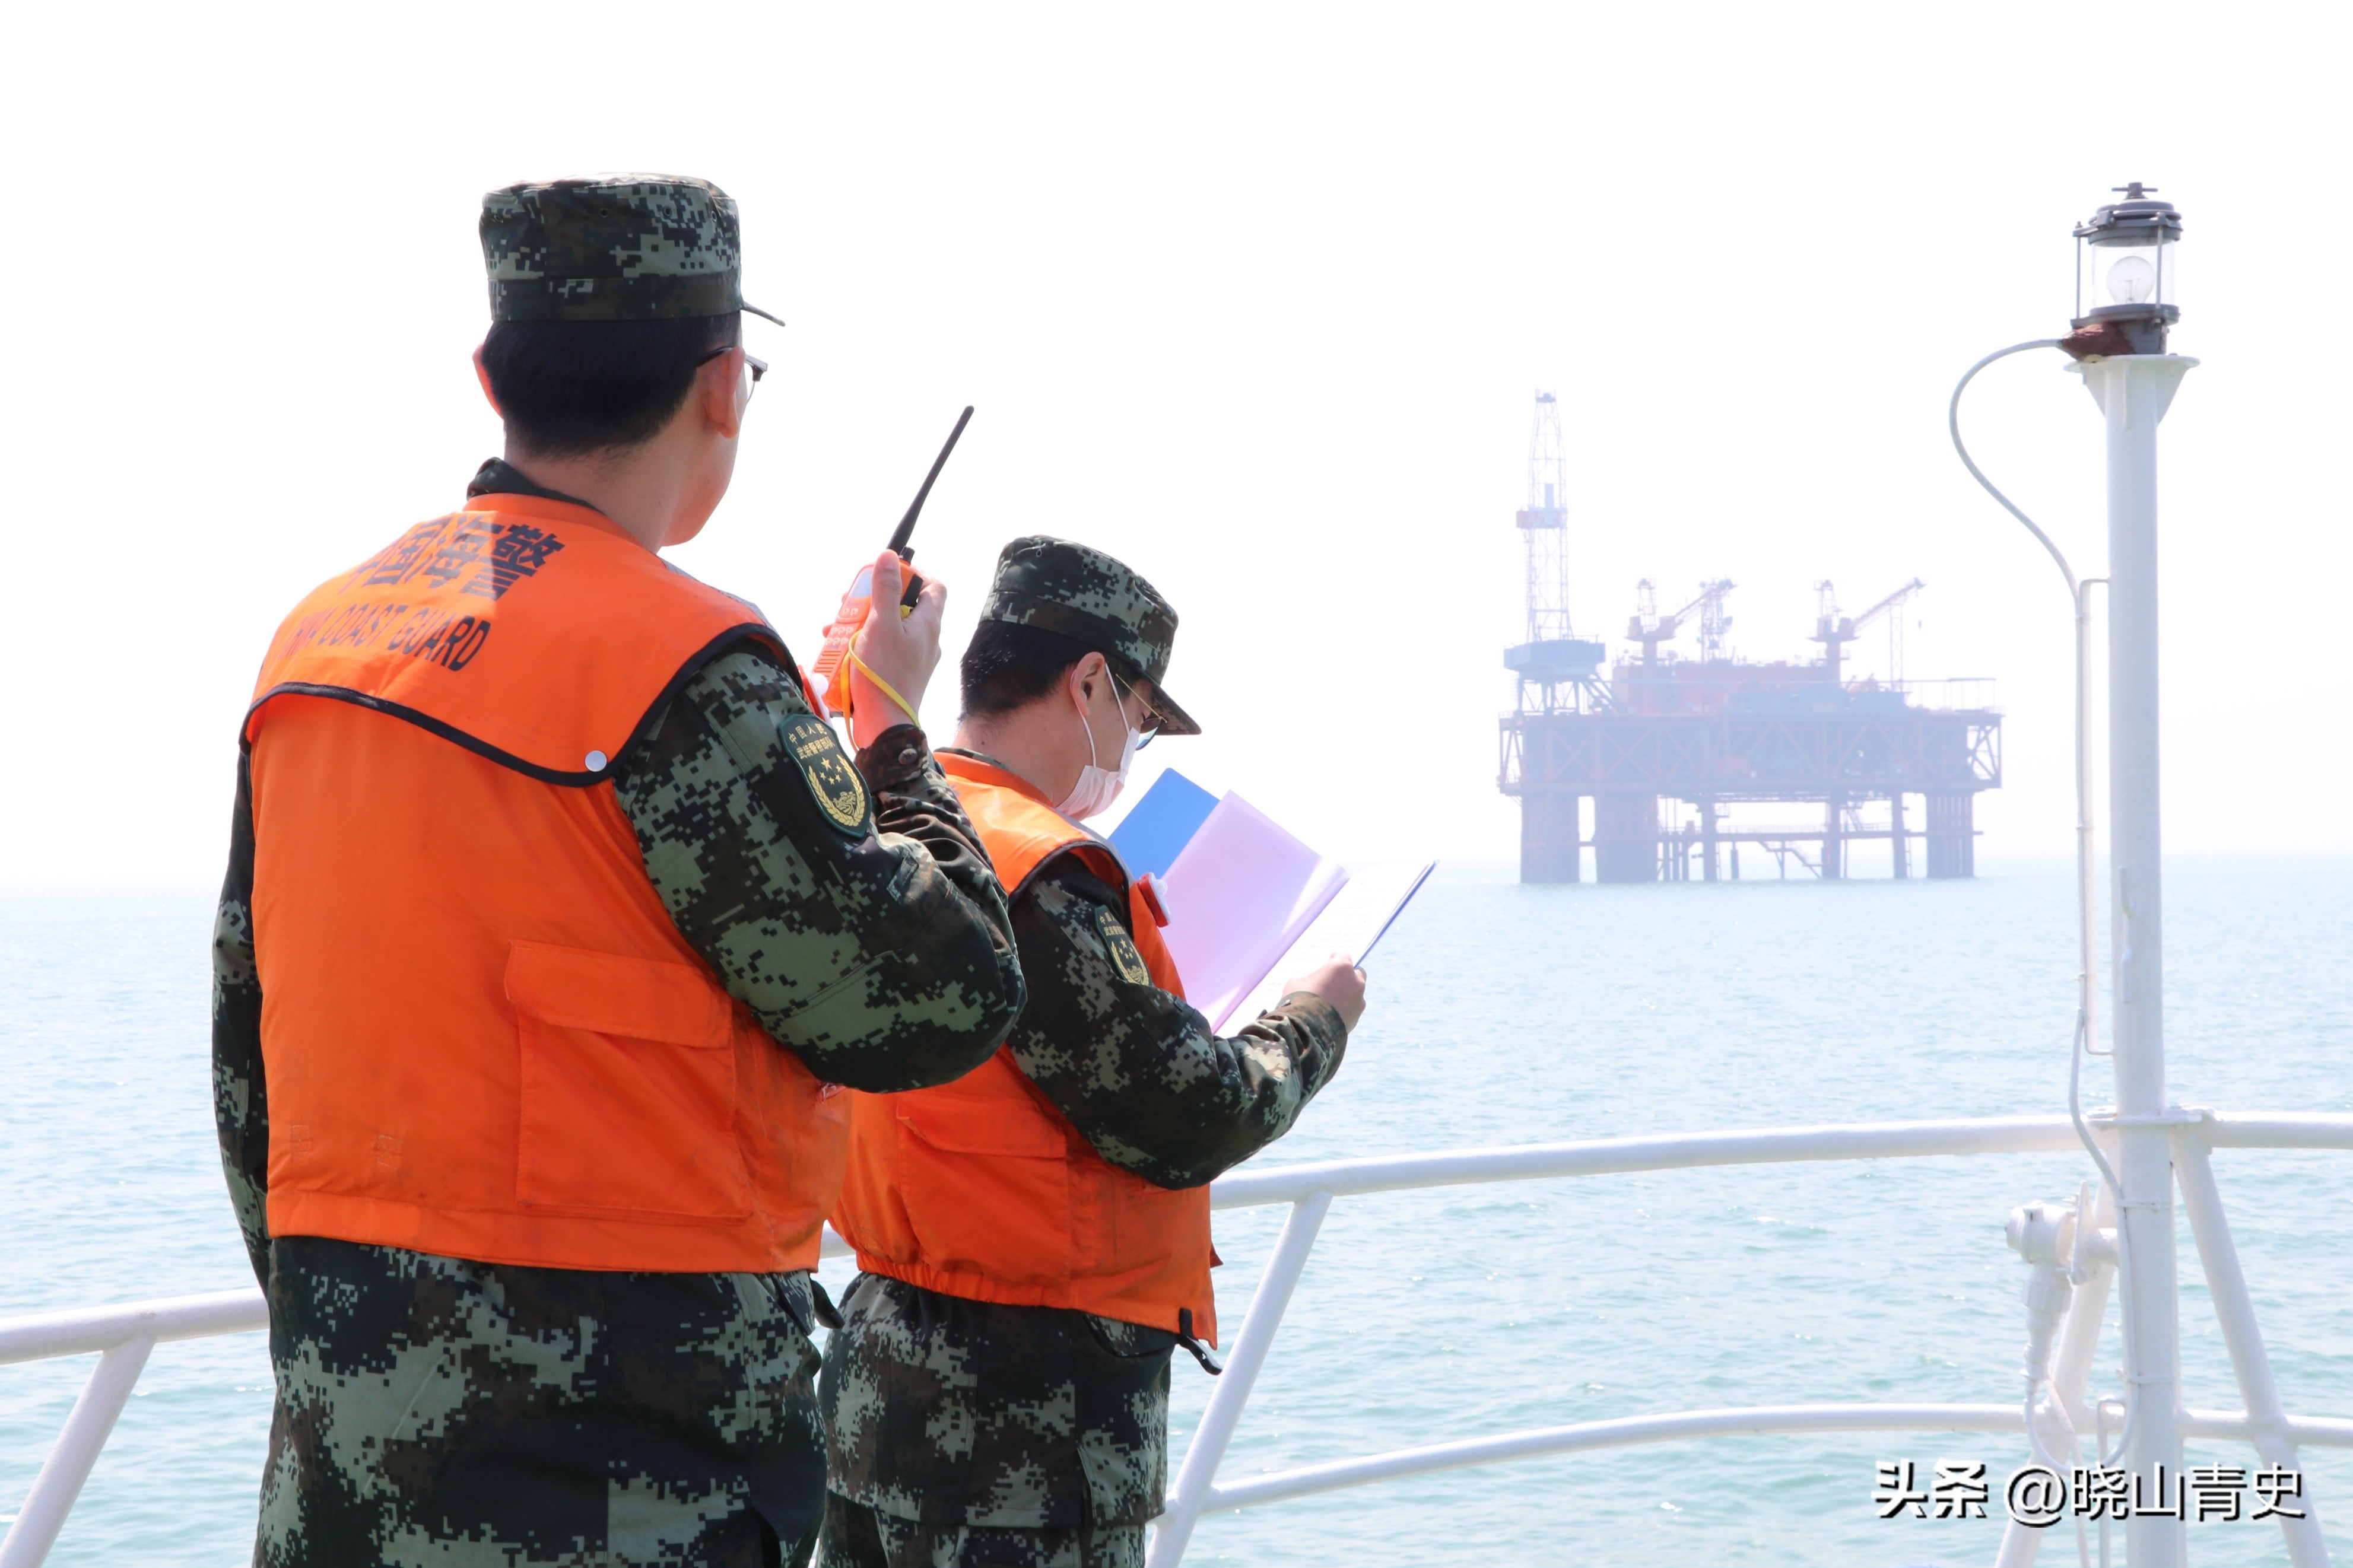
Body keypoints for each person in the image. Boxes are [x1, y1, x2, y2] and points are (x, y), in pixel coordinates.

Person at [210, 174, 1025, 1568]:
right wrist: (889, 720)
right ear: (723, 386)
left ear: (491, 376)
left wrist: (362, 1337)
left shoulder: (315, 650)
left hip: (346, 1454)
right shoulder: (686, 664)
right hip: (629, 1478)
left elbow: (251, 1070)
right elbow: (942, 997)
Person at [821, 537, 1367, 1567]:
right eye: (1143, 721)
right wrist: (1311, 1019)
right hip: (1025, 1433)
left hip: (876, 1388)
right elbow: (1185, 1112)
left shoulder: (887, 819)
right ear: (1087, 686)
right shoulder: (1038, 867)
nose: (1135, 748)